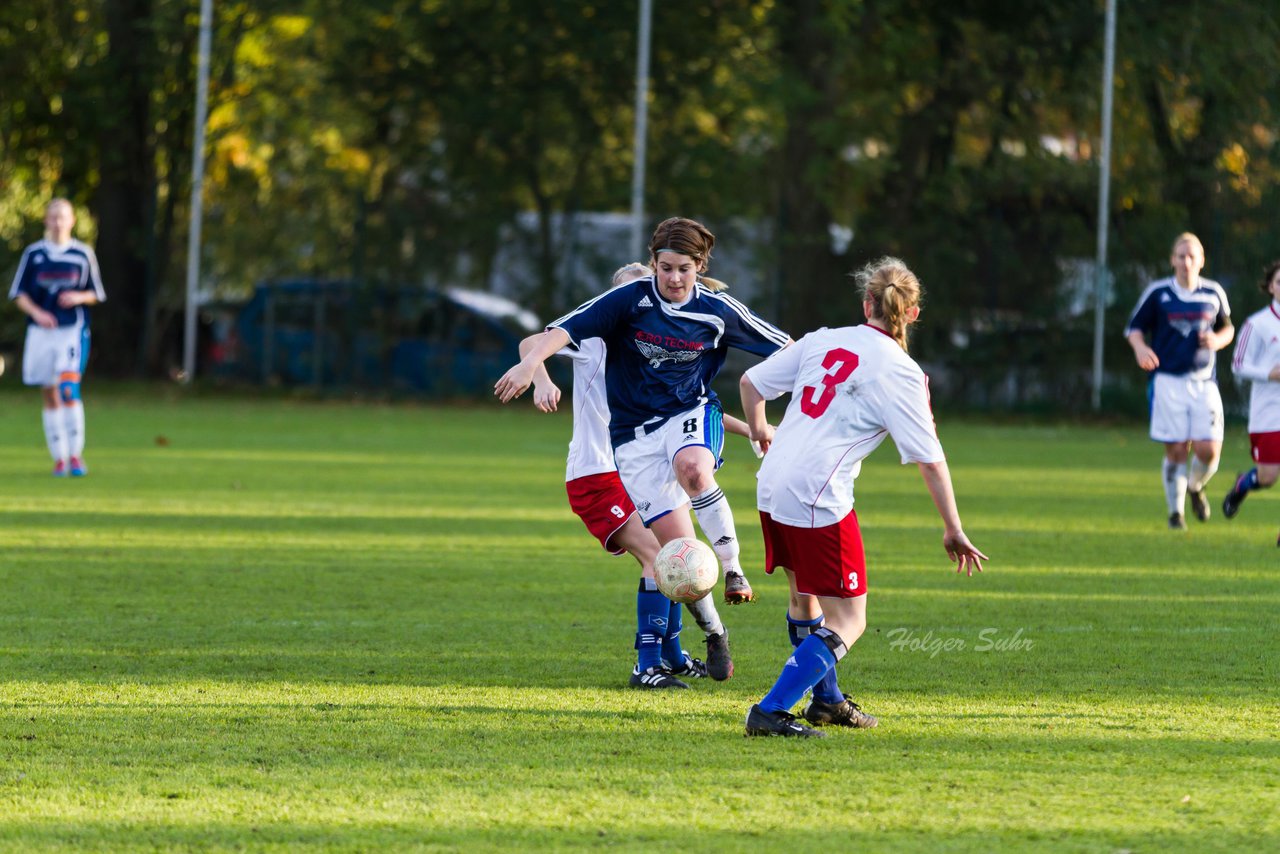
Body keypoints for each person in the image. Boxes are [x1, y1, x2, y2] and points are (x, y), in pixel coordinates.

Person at [496, 217, 791, 688]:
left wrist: (754, 430)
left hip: (653, 451)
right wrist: (539, 374)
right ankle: (650, 662)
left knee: (678, 556)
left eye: (681, 271)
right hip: (599, 468)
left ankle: (678, 651)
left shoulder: (692, 325)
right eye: (658, 274)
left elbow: (707, 404)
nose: (665, 286)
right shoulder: (600, 335)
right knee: (663, 558)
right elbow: (538, 339)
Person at [738, 257, 987, 737]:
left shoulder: (823, 338)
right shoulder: (903, 372)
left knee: (804, 597)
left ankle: (827, 702)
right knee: (849, 620)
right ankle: (770, 711)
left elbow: (751, 384)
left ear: (866, 303)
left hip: (772, 484)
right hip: (816, 493)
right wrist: (953, 528)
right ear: (913, 314)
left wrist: (760, 434)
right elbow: (930, 460)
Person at [1124, 232, 1233, 530]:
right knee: (1176, 450)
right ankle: (1176, 514)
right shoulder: (1159, 293)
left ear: (1201, 260)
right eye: (1181, 255)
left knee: (1209, 451)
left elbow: (1228, 328)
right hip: (1168, 382)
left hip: (1203, 383)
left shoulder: (1213, 293)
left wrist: (1218, 340)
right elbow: (1134, 329)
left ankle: (1196, 487)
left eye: (1192, 256)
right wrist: (1141, 348)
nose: (1186, 261)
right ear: (1172, 259)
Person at [8, 198, 106, 477]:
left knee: (68, 389)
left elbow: (96, 293)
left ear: (72, 220)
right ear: (46, 221)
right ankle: (59, 457)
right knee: (50, 393)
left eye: (63, 217)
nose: (58, 222)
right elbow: (19, 293)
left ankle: (76, 455)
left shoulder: (82, 254)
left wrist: (78, 296)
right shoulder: (34, 254)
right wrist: (37, 313)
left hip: (71, 332)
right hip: (41, 334)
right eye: (53, 217)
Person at [1221, 260, 1280, 535]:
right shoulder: (1258, 324)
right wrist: (1270, 374)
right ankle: (1242, 485)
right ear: (1270, 287)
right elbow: (1238, 364)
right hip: (1269, 414)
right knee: (1268, 477)